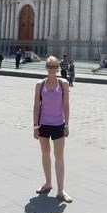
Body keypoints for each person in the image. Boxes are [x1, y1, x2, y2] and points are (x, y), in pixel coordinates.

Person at [32, 55, 72, 203]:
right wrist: (35, 126)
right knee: (45, 154)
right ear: (46, 68)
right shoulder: (40, 84)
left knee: (59, 156)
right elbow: (36, 106)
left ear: (58, 68)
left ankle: (61, 190)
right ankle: (48, 183)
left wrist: (66, 124)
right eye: (49, 66)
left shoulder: (63, 84)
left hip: (58, 124)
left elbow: (66, 106)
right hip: (43, 124)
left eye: (54, 67)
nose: (52, 69)